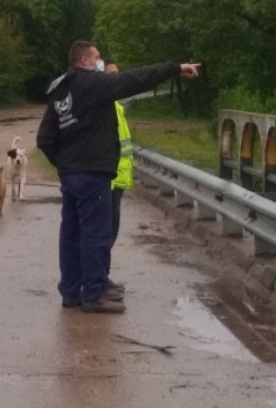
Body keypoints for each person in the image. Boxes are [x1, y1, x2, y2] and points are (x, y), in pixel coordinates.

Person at [36, 41, 200, 314]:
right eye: (97, 57)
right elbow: (135, 79)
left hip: (71, 175)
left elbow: (44, 139)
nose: (101, 63)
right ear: (85, 61)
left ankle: (71, 293)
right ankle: (93, 294)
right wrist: (174, 68)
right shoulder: (94, 84)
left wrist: (64, 164)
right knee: (95, 235)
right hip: (93, 173)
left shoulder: (60, 89)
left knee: (71, 234)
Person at [103, 60, 131, 292]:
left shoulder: (117, 107)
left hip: (117, 181)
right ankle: (99, 280)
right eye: (111, 75)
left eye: (117, 75)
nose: (116, 79)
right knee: (104, 234)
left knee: (110, 233)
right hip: (108, 182)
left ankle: (102, 277)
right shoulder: (104, 107)